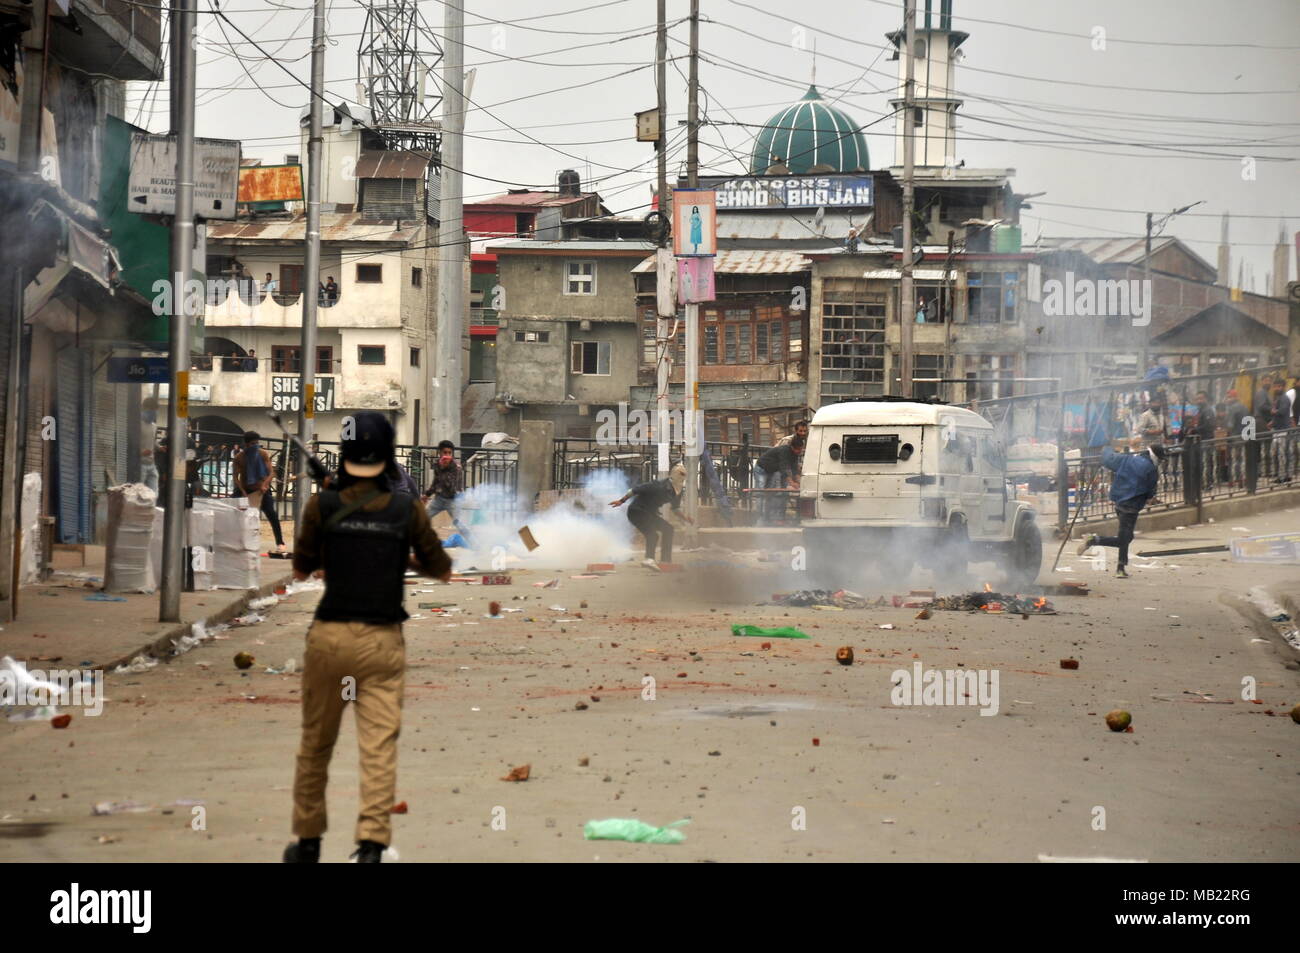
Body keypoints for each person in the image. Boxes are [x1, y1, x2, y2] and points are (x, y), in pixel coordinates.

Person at [283, 412, 452, 864]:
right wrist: (400, 555)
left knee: (316, 743)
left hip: (329, 636)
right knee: (377, 747)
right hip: (381, 640)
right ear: (389, 454)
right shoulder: (407, 508)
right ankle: (371, 846)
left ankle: (307, 843)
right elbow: (441, 568)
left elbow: (302, 568)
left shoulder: (323, 505)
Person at [1077, 438, 1165, 578]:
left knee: (1126, 536)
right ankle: (1094, 541)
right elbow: (1150, 493)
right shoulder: (1151, 470)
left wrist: (1106, 447)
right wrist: (1151, 499)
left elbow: (1108, 459)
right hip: (1131, 507)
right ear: (1156, 457)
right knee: (1124, 539)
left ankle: (1121, 567)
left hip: (1119, 502)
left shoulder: (1127, 459)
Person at [610, 463, 691, 566]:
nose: (681, 481)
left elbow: (675, 509)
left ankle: (665, 561)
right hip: (637, 511)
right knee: (652, 534)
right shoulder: (657, 485)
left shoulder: (677, 492)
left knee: (668, 529)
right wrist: (621, 501)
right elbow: (634, 490)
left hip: (650, 513)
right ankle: (649, 560)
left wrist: (686, 518)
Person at [233, 431, 287, 555]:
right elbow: (236, 477)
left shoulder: (262, 454)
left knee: (272, 515)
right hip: (246, 490)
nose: (255, 446)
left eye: (257, 443)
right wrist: (242, 491)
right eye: (253, 443)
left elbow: (271, 472)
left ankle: (280, 543)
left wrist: (265, 484)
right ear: (246, 444)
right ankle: (238, 542)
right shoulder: (239, 457)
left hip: (262, 490)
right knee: (235, 514)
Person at [422, 440, 470, 540]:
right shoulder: (438, 465)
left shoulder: (456, 467)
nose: (447, 455)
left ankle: (476, 545)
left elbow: (451, 487)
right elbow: (435, 483)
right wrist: (427, 495)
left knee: (459, 523)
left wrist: (444, 469)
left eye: (449, 453)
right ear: (440, 453)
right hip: (439, 499)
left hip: (452, 500)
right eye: (445, 453)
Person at [752, 436, 804, 525]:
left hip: (771, 471)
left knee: (770, 494)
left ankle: (767, 518)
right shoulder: (784, 451)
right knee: (761, 493)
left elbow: (794, 470)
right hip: (761, 469)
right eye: (798, 449)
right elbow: (784, 469)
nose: (799, 451)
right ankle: (760, 519)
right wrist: (792, 483)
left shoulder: (795, 455)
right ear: (792, 447)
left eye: (801, 449)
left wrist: (799, 482)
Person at [139, 398, 159, 494]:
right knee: (139, 492)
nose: (153, 412)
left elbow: (152, 441)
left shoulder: (154, 426)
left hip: (151, 463)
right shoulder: (137, 424)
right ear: (144, 408)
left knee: (153, 493)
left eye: (155, 410)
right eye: (151, 409)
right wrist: (140, 452)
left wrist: (159, 447)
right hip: (140, 464)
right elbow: (129, 442)